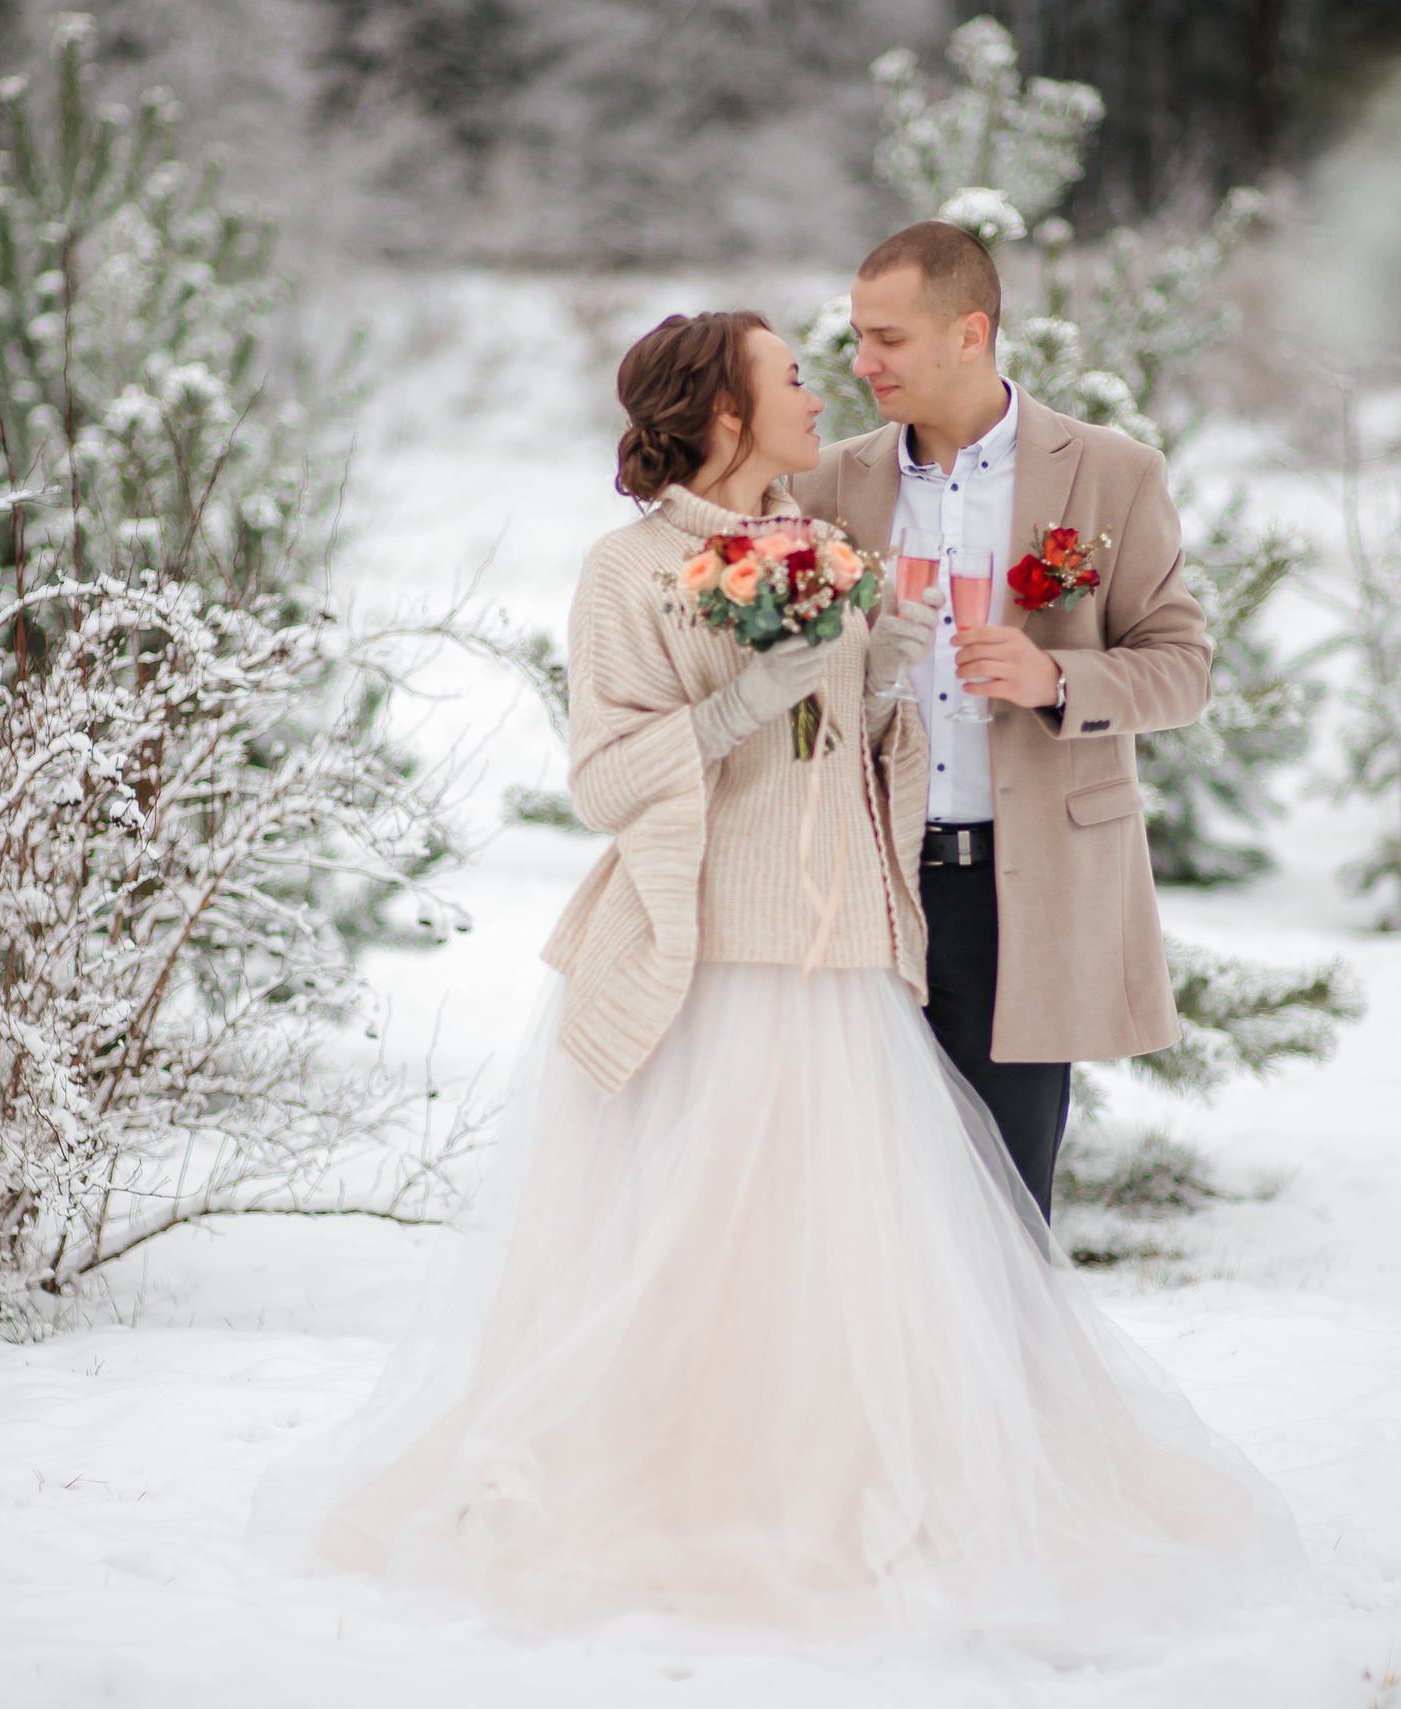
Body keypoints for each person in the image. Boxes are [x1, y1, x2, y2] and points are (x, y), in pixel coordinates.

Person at [251, 310, 1295, 1637]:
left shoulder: (828, 551)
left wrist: (879, 681)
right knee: (692, 1259)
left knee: (850, 1270)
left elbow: (838, 765)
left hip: (847, 963)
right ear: (728, 416)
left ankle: (852, 1485)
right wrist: (745, 701)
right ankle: (674, 1489)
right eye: (790, 378)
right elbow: (607, 776)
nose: (820, 390)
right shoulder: (624, 574)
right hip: (709, 966)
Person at [790, 221, 1212, 1222]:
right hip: (862, 890)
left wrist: (1055, 675)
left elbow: (1183, 669)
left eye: (886, 338)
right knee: (864, 1210)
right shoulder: (824, 483)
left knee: (1007, 1216)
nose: (862, 362)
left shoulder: (1112, 473)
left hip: (1025, 895)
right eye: (857, 335)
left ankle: (1010, 1385)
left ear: (968, 332)